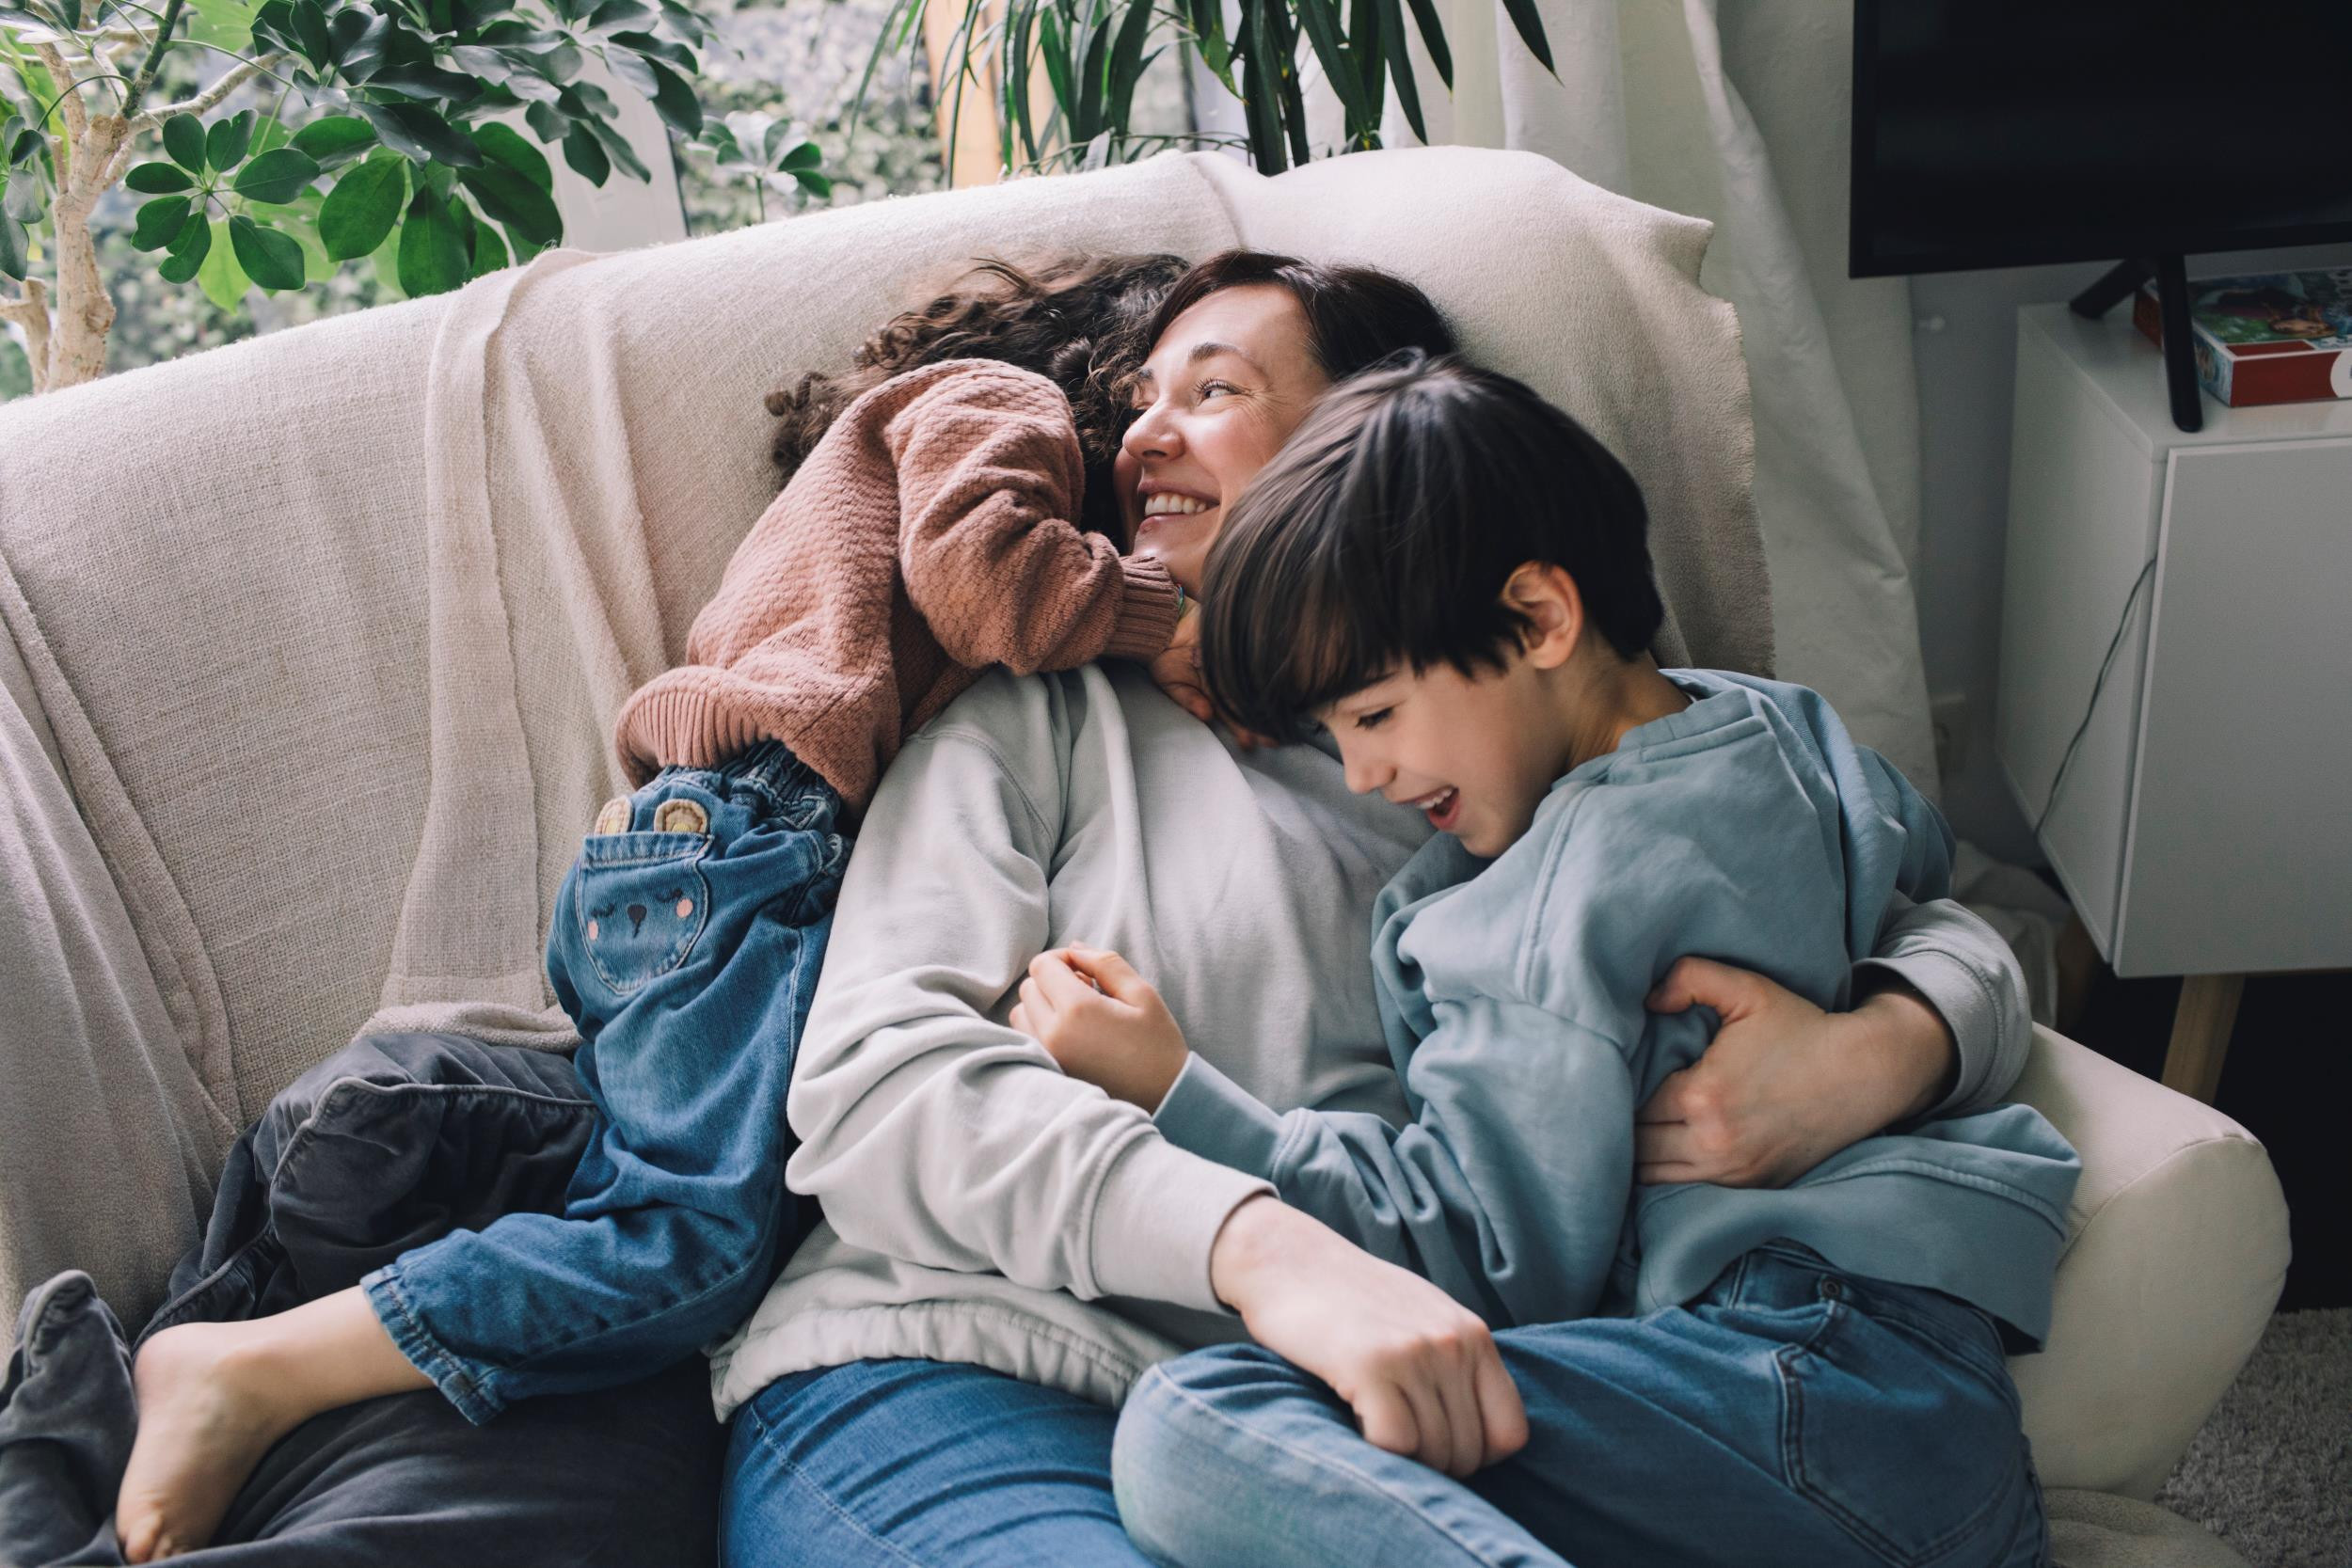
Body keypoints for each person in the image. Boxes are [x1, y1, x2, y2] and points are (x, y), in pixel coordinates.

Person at [712, 253, 2044, 1565]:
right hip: (984, 1366)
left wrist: (1892, 1043)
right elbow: (878, 1086)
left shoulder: (1545, 748)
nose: (1141, 439)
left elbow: (1919, 905)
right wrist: (1263, 1252)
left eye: (1215, 390)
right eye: (1134, 403)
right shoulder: (1038, 722)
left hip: (1383, 1410)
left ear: (1361, 434)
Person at [107, 251, 1210, 1563]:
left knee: (686, 1186)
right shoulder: (988, 403)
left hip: (683, 859)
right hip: (752, 845)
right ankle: (259, 1367)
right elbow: (987, 576)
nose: (1157, 445)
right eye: (1156, 394)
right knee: (691, 1247)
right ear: (1103, 366)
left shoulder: (892, 442)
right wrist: (1171, 621)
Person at [1018, 355, 2082, 1568]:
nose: (1361, 775)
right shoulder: (1781, 725)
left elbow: (1481, 1264)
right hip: (1929, 1411)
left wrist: (1177, 1093)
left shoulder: (1541, 909)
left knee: (1199, 1426)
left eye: (1371, 717)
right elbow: (1931, 886)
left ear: (1538, 620)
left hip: (1803, 1391)